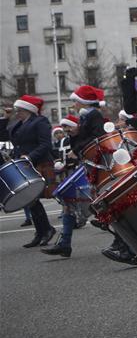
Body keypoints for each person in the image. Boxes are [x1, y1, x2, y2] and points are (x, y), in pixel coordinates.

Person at [42, 85, 108, 257]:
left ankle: (126, 244)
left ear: (83, 101)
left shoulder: (94, 116)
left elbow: (97, 139)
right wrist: (75, 135)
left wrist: (77, 148)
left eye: (75, 102)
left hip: (95, 165)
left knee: (102, 203)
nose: (74, 105)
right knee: (69, 200)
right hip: (88, 164)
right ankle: (64, 243)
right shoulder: (87, 117)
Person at [0, 96, 56, 248]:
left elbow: (45, 144)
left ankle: (46, 230)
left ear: (28, 110)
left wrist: (30, 156)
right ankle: (42, 232)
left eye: (19, 110)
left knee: (33, 199)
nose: (17, 113)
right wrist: (6, 118)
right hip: (24, 165)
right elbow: (3, 135)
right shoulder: (17, 124)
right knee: (30, 201)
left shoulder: (40, 121)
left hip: (38, 161)